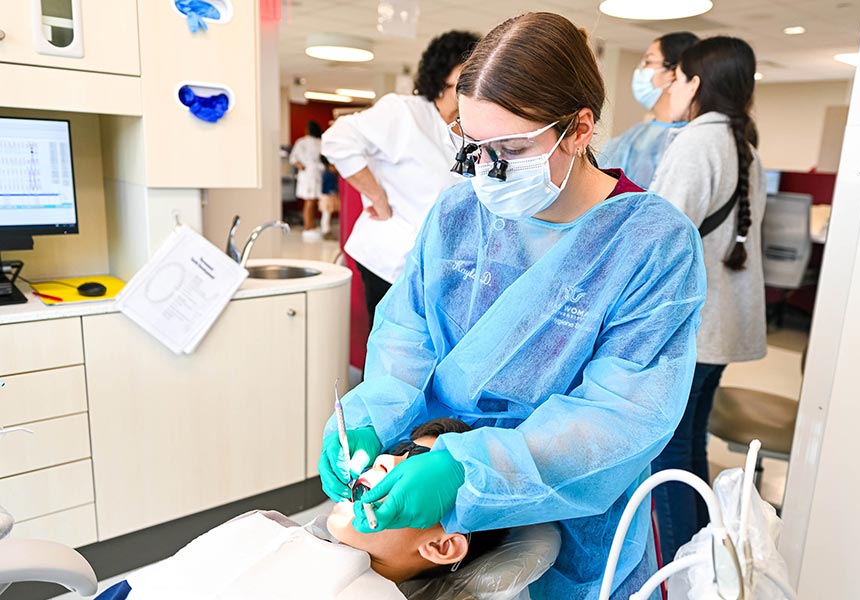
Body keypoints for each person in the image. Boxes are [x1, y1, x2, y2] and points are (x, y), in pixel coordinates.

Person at [318, 12, 706, 600]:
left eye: (512, 147)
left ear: (579, 129)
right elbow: (407, 333)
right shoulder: (456, 214)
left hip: (575, 509)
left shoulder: (651, 244)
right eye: (472, 146)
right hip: (436, 473)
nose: (487, 169)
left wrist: (472, 471)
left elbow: (623, 413)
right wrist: (374, 412)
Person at [93, 418, 508, 600]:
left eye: (412, 470)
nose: (385, 461)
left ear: (442, 547)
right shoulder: (266, 525)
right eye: (398, 452)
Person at [648, 36, 767, 564]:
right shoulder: (745, 145)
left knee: (668, 457)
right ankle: (704, 558)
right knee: (691, 444)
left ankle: (680, 568)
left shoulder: (697, 142)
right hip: (723, 330)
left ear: (695, 83)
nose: (670, 86)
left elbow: (659, 236)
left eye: (675, 77)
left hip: (694, 330)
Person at [322, 30, 479, 326]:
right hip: (390, 257)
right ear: (444, 74)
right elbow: (337, 140)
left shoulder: (470, 129)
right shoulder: (405, 113)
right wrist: (377, 197)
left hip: (438, 264)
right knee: (391, 344)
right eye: (469, 71)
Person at [597, 32, 698, 189]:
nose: (641, 70)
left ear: (674, 73)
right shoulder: (635, 136)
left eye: (648, 61)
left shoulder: (690, 141)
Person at [290, 120, 325, 241]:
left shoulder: (316, 142)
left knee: (313, 201)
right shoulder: (303, 142)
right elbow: (294, 159)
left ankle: (311, 225)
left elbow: (294, 159)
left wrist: (302, 166)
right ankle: (308, 226)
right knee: (310, 201)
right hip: (309, 174)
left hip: (315, 174)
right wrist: (304, 167)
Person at [320, 157, 340, 240]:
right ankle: (325, 231)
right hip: (327, 197)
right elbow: (324, 187)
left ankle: (327, 229)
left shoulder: (331, 175)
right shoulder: (327, 175)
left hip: (330, 197)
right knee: (326, 214)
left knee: (328, 214)